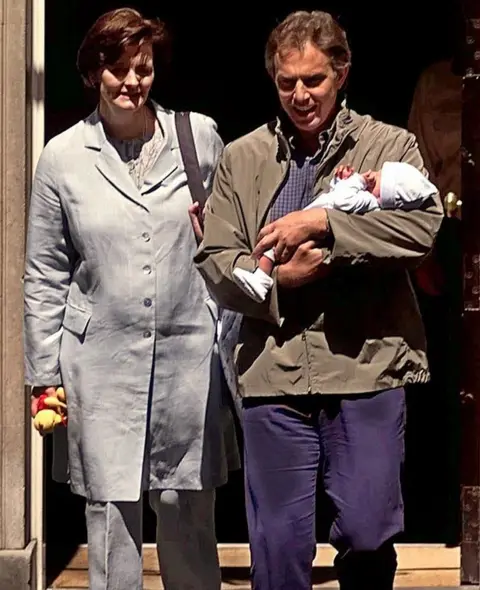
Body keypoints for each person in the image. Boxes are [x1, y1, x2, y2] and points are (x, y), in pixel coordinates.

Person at [194, 10, 443, 590]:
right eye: (287, 83)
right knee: (278, 549)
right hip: (274, 373)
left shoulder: (389, 146)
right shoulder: (244, 157)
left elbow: (422, 229)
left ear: (341, 73)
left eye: (314, 80)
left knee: (367, 527)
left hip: (367, 366)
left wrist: (323, 224)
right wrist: (282, 283)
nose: (301, 95)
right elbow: (216, 258)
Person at [23, 8, 239, 590]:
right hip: (101, 359)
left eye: (141, 68)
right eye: (115, 69)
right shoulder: (62, 158)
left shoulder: (199, 139)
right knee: (111, 515)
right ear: (93, 73)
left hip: (187, 355)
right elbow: (45, 271)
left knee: (187, 507)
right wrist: (45, 373)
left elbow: (230, 243)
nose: (130, 81)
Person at [232, 161, 438, 302]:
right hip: (305, 218)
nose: (371, 176)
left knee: (273, 248)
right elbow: (336, 194)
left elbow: (342, 200)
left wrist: (357, 181)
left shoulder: (369, 202)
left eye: (377, 179)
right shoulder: (364, 198)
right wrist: (342, 179)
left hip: (306, 227)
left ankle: (261, 278)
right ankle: (261, 274)